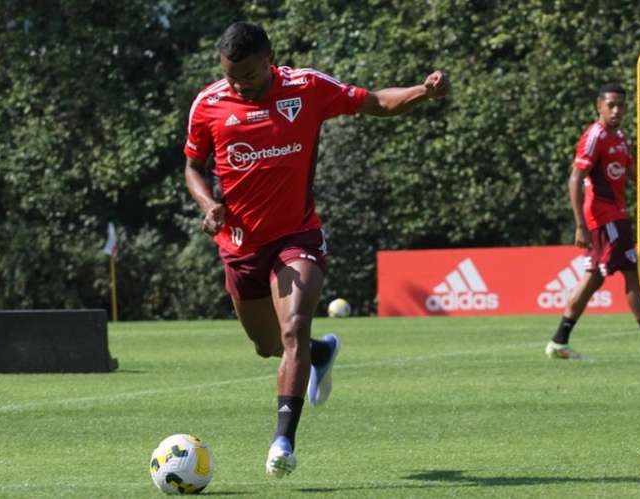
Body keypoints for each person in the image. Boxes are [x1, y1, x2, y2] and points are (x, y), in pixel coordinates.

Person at [183, 21, 450, 477]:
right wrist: (209, 205)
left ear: (270, 59)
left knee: (293, 329)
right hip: (242, 246)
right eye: (229, 75)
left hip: (298, 236)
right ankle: (319, 353)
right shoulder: (209, 104)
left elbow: (374, 103)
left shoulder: (306, 87)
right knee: (269, 345)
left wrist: (422, 93)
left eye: (245, 75)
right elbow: (192, 167)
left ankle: (282, 440)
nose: (237, 84)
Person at [545, 83, 640, 361]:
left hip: (617, 214)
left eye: (621, 106)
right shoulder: (595, 136)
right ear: (599, 106)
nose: (616, 111)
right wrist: (580, 224)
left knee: (594, 278)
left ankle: (559, 341)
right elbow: (576, 178)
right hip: (605, 216)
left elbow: (630, 172)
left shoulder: (621, 137)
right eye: (611, 105)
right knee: (630, 272)